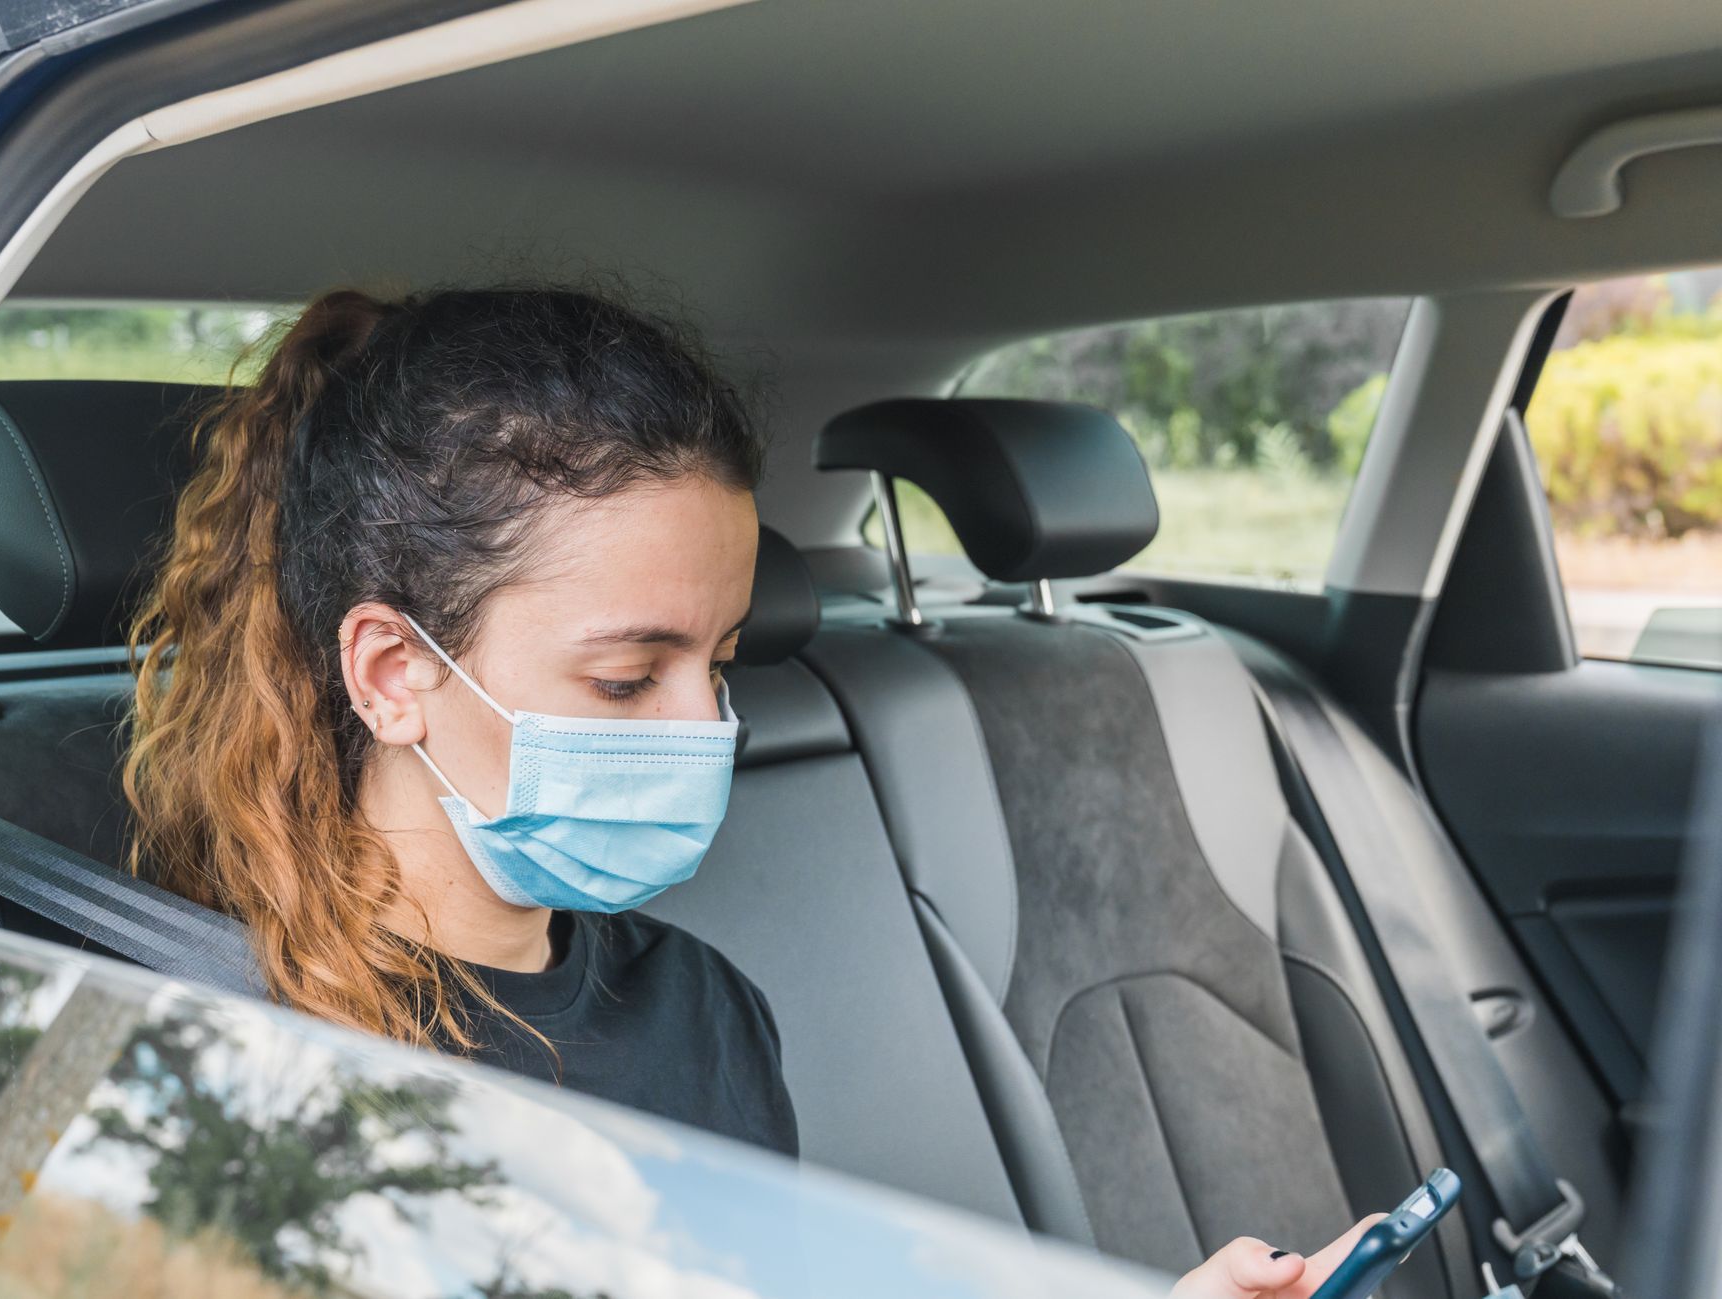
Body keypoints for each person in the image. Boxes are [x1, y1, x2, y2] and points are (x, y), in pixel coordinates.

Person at [122, 283, 1378, 1298]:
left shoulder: (704, 1012)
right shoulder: (205, 1055)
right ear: (395, 674)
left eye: (719, 662)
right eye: (627, 679)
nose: (704, 729)